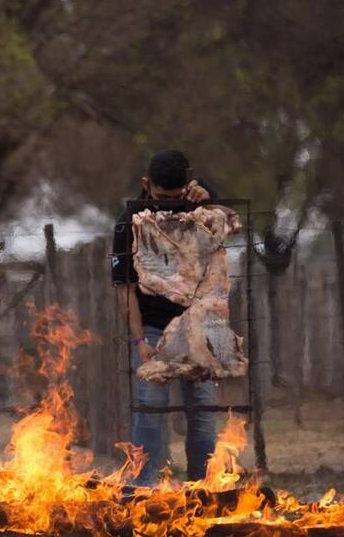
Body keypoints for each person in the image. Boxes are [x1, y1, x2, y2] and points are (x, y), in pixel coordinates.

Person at [111, 149, 218, 486]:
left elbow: (228, 224)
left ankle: (204, 487)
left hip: (198, 326)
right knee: (150, 407)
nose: (170, 206)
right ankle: (143, 486)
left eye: (176, 198)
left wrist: (209, 200)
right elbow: (125, 289)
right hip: (153, 328)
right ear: (147, 185)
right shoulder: (129, 222)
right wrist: (140, 340)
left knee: (203, 410)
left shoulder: (200, 206)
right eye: (162, 198)